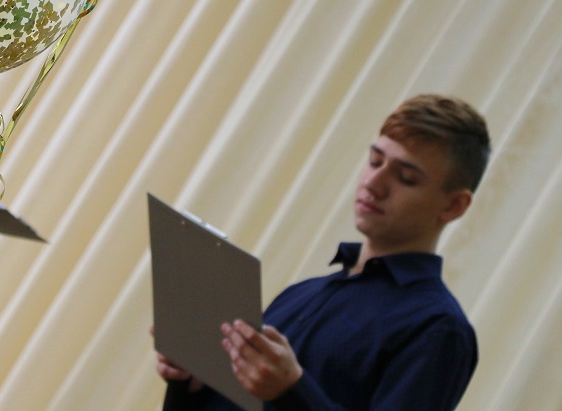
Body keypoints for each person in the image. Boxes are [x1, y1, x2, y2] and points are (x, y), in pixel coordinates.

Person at [156, 94, 490, 411]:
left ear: (454, 205)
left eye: (406, 178)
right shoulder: (302, 293)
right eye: (375, 161)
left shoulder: (437, 328)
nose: (373, 183)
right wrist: (192, 381)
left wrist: (292, 391)